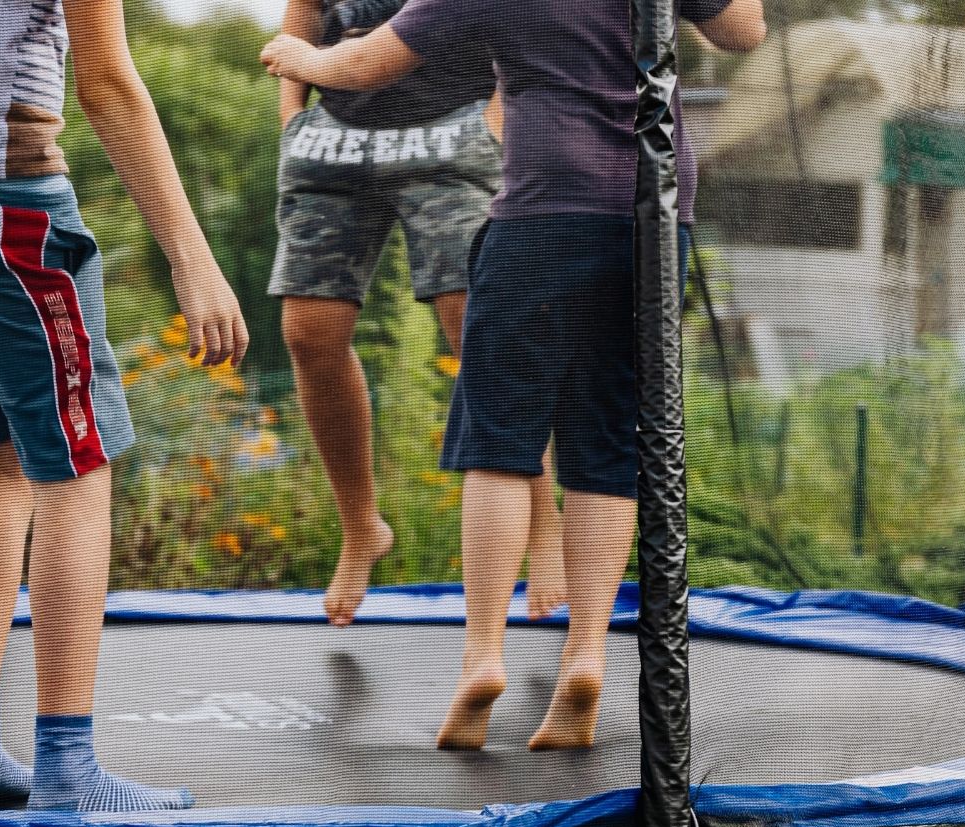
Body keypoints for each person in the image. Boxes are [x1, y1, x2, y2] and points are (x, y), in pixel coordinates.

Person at [262, 0, 763, 752]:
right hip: (656, 220)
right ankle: (586, 655)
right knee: (608, 443)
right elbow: (743, 30)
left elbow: (366, 63)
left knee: (497, 442)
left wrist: (300, 59)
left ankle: (483, 657)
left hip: (541, 214)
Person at [0, 0, 248, 811]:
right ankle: (67, 765)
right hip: (1, 197)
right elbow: (106, 83)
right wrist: (192, 258)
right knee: (78, 462)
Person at [273, 0, 565, 627]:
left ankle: (545, 527)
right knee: (309, 334)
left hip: (452, 130)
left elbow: (521, 20)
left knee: (477, 326)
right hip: (332, 139)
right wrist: (291, 120)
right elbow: (300, 20)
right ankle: (361, 528)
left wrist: (496, 119)